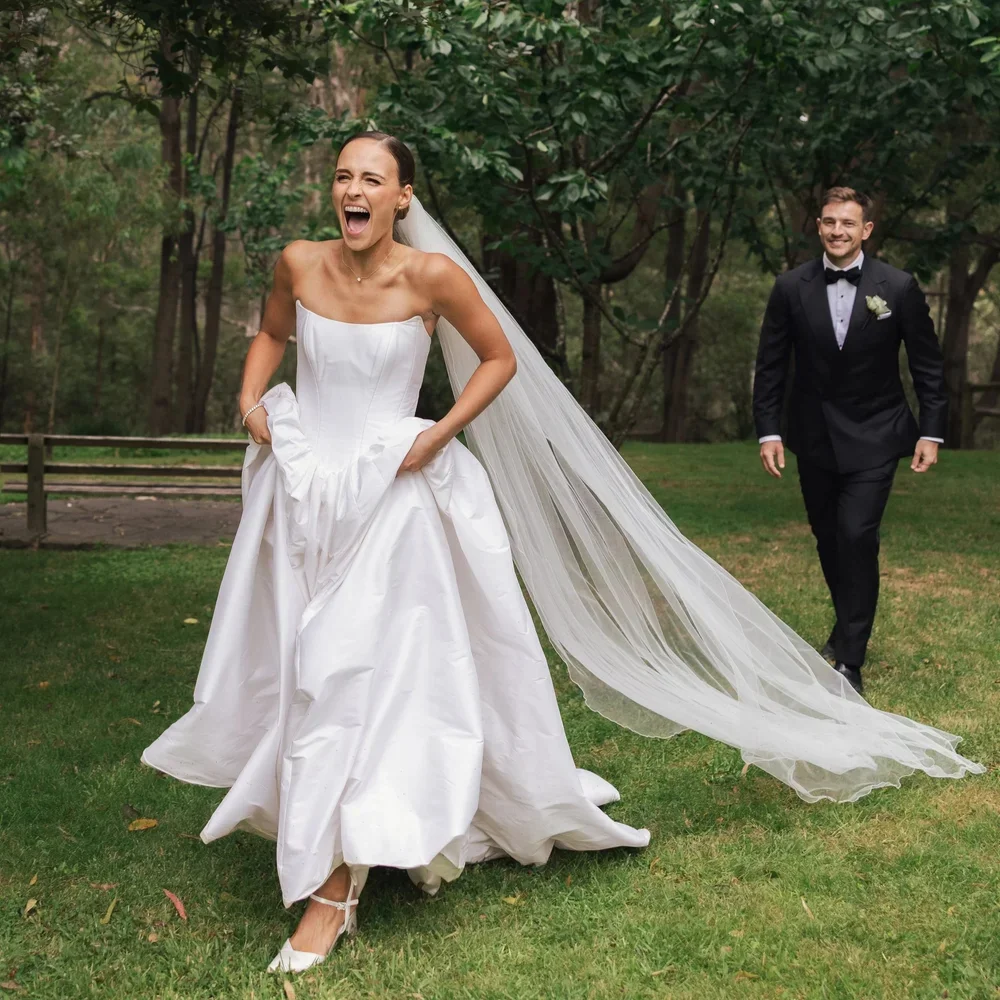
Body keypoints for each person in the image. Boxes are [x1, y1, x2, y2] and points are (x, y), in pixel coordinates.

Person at [142, 138, 982, 974]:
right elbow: (271, 333)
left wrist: (436, 434)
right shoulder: (297, 261)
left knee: (348, 666)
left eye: (373, 179)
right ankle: (354, 815)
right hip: (304, 491)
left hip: (395, 497)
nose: (352, 191)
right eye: (341, 177)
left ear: (404, 197)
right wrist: (250, 397)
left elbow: (499, 359)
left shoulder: (434, 278)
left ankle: (334, 886)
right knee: (298, 662)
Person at [753, 187, 946, 695]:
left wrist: (932, 429)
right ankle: (845, 627)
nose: (838, 231)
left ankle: (850, 659)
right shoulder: (790, 287)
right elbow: (772, 364)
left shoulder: (897, 287)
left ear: (866, 230)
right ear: (818, 226)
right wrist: (769, 430)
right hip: (812, 436)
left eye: (848, 223)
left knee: (857, 534)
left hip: (878, 433)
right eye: (829, 222)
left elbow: (927, 363)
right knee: (828, 537)